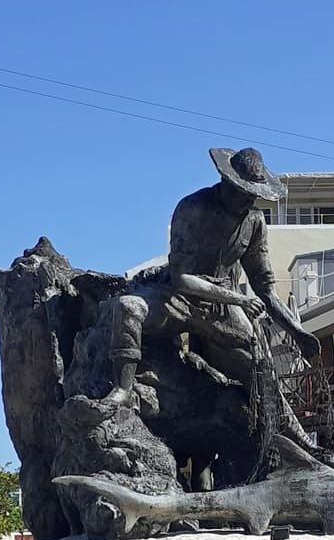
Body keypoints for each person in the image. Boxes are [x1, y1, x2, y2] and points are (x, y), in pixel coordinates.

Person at [100, 148, 321, 454]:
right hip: (176, 297)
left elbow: (265, 287)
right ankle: (122, 390)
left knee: (262, 365)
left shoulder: (254, 222)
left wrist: (295, 331)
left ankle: (294, 438)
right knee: (128, 307)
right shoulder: (193, 208)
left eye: (253, 196)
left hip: (221, 309)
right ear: (226, 182)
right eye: (243, 192)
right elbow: (182, 279)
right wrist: (237, 299)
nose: (247, 200)